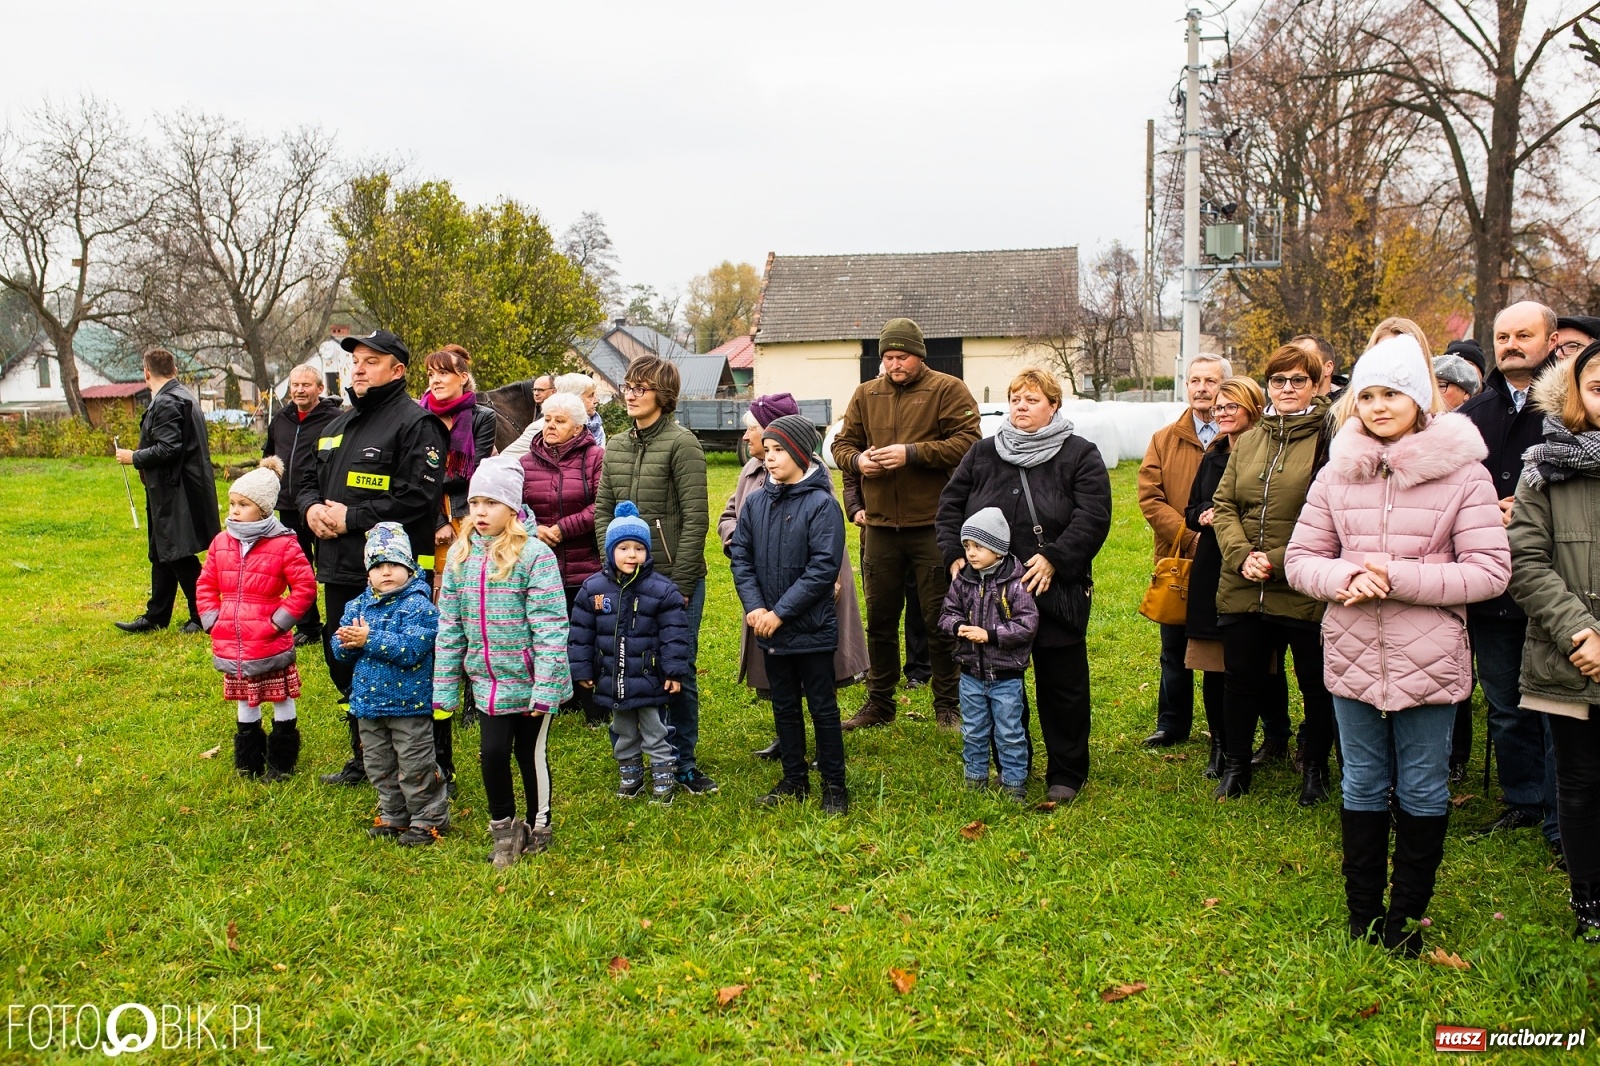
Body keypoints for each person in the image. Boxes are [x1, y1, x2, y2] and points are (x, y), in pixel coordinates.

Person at [1286, 334, 1510, 955]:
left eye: (1394, 393)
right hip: (1353, 647)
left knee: (1420, 784)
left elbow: (1490, 570)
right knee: (1360, 780)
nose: (1380, 406)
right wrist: (1343, 576)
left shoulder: (1464, 475)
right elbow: (1301, 558)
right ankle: (1363, 912)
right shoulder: (1337, 472)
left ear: (1421, 397)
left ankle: (1406, 914)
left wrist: (1398, 576)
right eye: (1369, 395)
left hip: (1430, 653)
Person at [935, 368, 1112, 804]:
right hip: (988, 598)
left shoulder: (1079, 455)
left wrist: (1055, 557)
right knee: (1000, 683)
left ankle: (1066, 773)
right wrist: (954, 554)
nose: (1021, 406)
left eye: (1032, 399)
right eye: (1015, 398)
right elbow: (950, 506)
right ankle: (1010, 766)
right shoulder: (982, 454)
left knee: (1061, 687)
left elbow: (1093, 516)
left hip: (1053, 589)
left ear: (1054, 405)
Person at [295, 329, 448, 788]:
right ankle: (365, 756)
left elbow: (418, 497)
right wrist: (310, 508)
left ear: (397, 371)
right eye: (355, 360)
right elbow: (303, 481)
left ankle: (436, 764)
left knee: (412, 661)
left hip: (398, 576)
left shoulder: (416, 425)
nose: (358, 368)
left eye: (371, 360)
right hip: (341, 567)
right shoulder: (336, 425)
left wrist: (353, 518)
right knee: (345, 658)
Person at [832, 318, 981, 732]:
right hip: (879, 527)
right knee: (880, 619)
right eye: (887, 357)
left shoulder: (947, 390)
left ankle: (948, 705)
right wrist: (858, 461)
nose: (893, 364)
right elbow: (842, 444)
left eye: (901, 356)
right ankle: (880, 703)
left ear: (920, 355)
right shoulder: (867, 394)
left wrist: (912, 454)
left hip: (933, 524)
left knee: (939, 619)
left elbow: (969, 443)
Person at [1457, 301, 1562, 850]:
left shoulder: (1571, 410)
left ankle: (1560, 811)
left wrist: (1527, 507)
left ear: (1549, 340)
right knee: (1505, 703)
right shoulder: (1474, 413)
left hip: (1552, 582)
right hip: (1490, 585)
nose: (1511, 344)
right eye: (1502, 336)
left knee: (1556, 706)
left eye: (1525, 334)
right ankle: (1521, 799)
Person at [1210, 343, 1335, 804]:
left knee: (1316, 683)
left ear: (1315, 384)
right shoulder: (1252, 437)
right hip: (1243, 582)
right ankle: (1238, 766)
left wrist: (1279, 560)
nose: (1287, 389)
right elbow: (1223, 504)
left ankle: (1315, 769)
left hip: (1302, 583)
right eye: (1279, 381)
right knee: (1241, 678)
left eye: (1297, 380)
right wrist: (1242, 554)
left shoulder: (1329, 435)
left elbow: (1331, 513)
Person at [434, 457, 572, 867]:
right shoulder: (461, 558)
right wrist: (444, 686)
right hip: (489, 683)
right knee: (492, 753)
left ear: (511, 509)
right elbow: (451, 628)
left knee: (529, 754)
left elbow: (550, 626)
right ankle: (504, 829)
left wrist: (546, 687)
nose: (479, 511)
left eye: (490, 503)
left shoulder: (534, 556)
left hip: (531, 681)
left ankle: (539, 822)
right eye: (474, 502)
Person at [1510, 343, 1600, 942]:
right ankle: (1589, 896)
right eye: (1598, 383)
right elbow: (1526, 558)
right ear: (1577, 393)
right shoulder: (1545, 465)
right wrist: (1580, 631)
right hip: (1575, 656)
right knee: (1582, 779)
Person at [720, 395, 868, 759]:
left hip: (806, 589)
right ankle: (790, 741)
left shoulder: (811, 480)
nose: (746, 436)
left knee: (816, 669)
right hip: (765, 580)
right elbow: (731, 514)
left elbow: (820, 547)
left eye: (752, 427)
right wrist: (739, 541)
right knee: (777, 664)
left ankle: (824, 748)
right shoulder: (751, 472)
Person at [593, 356, 716, 795]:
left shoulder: (683, 444)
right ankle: (631, 757)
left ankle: (681, 761)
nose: (630, 393)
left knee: (674, 667)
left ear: (662, 395)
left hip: (671, 579)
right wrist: (610, 566)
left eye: (640, 387)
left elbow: (695, 518)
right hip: (624, 581)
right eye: (627, 386)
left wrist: (680, 586)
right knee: (625, 663)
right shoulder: (618, 446)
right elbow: (603, 510)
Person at [730, 415, 851, 814]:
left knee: (821, 705)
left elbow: (822, 569)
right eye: (767, 451)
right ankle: (794, 778)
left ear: (801, 452)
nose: (770, 458)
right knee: (783, 704)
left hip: (810, 627)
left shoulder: (822, 505)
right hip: (769, 625)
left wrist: (780, 613)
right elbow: (742, 558)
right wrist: (756, 608)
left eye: (779, 450)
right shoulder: (756, 501)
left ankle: (834, 785)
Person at [196, 456, 318, 780]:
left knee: (280, 696)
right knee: (245, 699)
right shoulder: (221, 542)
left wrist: (278, 622)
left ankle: (281, 761)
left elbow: (304, 587)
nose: (234, 511)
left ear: (263, 510)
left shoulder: (284, 544)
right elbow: (206, 583)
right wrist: (211, 618)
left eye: (243, 505)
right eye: (233, 503)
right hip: (233, 641)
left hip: (268, 640)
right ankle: (248, 760)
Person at [332, 523, 448, 847]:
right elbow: (339, 649)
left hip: (408, 705)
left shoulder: (419, 607)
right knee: (379, 765)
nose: (386, 572)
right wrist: (345, 643)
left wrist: (368, 639)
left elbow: (412, 649)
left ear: (409, 568)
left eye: (394, 564)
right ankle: (393, 815)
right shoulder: (356, 606)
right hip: (368, 706)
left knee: (415, 765)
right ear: (368, 572)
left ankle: (428, 820)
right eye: (378, 566)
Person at [570, 501, 691, 805]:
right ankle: (631, 774)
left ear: (648, 553)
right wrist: (583, 670)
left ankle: (663, 775)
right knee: (622, 728)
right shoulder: (592, 589)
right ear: (610, 551)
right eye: (623, 548)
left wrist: (674, 671)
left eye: (638, 548)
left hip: (650, 679)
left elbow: (675, 634)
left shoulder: (662, 590)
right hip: (613, 677)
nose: (631, 555)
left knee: (656, 728)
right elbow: (581, 634)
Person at [417, 344, 499, 791]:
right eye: (430, 374)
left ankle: (473, 694)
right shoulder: (419, 415)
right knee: (437, 601)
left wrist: (454, 517)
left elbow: (475, 473)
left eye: (443, 374)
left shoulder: (480, 417)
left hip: (469, 518)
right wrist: (434, 520)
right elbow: (413, 475)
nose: (435, 381)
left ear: (463, 378)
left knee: (471, 603)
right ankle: (440, 684)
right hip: (430, 522)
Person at [1183, 375, 1273, 779]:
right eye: (1218, 407)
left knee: (1257, 664)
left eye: (1230, 406)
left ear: (1251, 407)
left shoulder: (1270, 453)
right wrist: (1202, 513)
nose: (1221, 413)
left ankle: (1272, 739)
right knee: (1210, 662)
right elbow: (1191, 508)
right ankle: (1218, 746)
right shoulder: (1213, 455)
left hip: (1253, 565)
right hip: (1211, 567)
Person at [1138, 353, 1228, 747]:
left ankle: (1223, 727)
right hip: (1177, 559)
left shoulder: (1239, 436)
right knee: (1173, 647)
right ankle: (1172, 724)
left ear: (1224, 386)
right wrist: (1189, 536)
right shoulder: (1164, 438)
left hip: (1225, 559)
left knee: (1216, 647)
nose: (1202, 388)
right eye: (1195, 380)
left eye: (1210, 381)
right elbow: (1150, 497)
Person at [114, 347, 220, 635]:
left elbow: (168, 448)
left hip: (176, 491)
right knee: (161, 552)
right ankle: (156, 615)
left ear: (146, 372)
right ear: (174, 369)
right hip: (173, 489)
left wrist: (132, 457)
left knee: (177, 553)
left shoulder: (167, 402)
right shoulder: (182, 396)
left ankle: (203, 615)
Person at [938, 507, 1039, 801]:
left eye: (978, 546)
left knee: (1009, 732)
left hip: (1006, 676)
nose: (970, 553)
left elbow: (1027, 625)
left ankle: (1014, 784)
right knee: (973, 730)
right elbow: (946, 613)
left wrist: (990, 635)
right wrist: (957, 626)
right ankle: (975, 779)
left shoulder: (1016, 583)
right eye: (967, 546)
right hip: (970, 674)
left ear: (998, 548)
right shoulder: (963, 580)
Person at [517, 391, 605, 727]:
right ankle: (554, 699)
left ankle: (593, 707)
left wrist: (562, 528)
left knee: (585, 634)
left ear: (578, 426)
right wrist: (536, 528)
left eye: (560, 420)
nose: (551, 425)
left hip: (584, 564)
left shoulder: (595, 457)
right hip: (539, 566)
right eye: (547, 418)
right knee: (543, 634)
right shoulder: (526, 462)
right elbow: (513, 510)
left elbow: (602, 505)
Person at [263, 363, 343, 646]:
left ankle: (340, 624)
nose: (299, 389)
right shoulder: (281, 419)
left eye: (306, 385)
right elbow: (269, 454)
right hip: (287, 505)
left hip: (323, 505)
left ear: (320, 389)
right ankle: (309, 625)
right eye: (295, 384)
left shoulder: (335, 419)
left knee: (330, 566)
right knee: (296, 566)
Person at [843, 469, 931, 692]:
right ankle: (876, 670)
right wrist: (855, 508)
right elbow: (850, 473)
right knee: (878, 610)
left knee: (918, 604)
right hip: (876, 533)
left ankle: (919, 669)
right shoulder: (863, 436)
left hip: (917, 532)